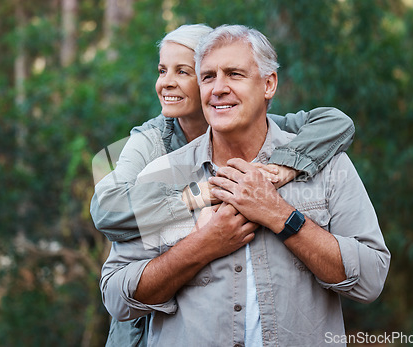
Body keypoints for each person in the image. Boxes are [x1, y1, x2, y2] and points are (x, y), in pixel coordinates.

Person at [100, 24, 390, 346]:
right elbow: (115, 292)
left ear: (269, 84)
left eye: (234, 74)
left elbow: (371, 280)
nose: (218, 88)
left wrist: (280, 215)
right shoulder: (152, 155)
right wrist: (203, 244)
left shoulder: (324, 163)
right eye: (208, 76)